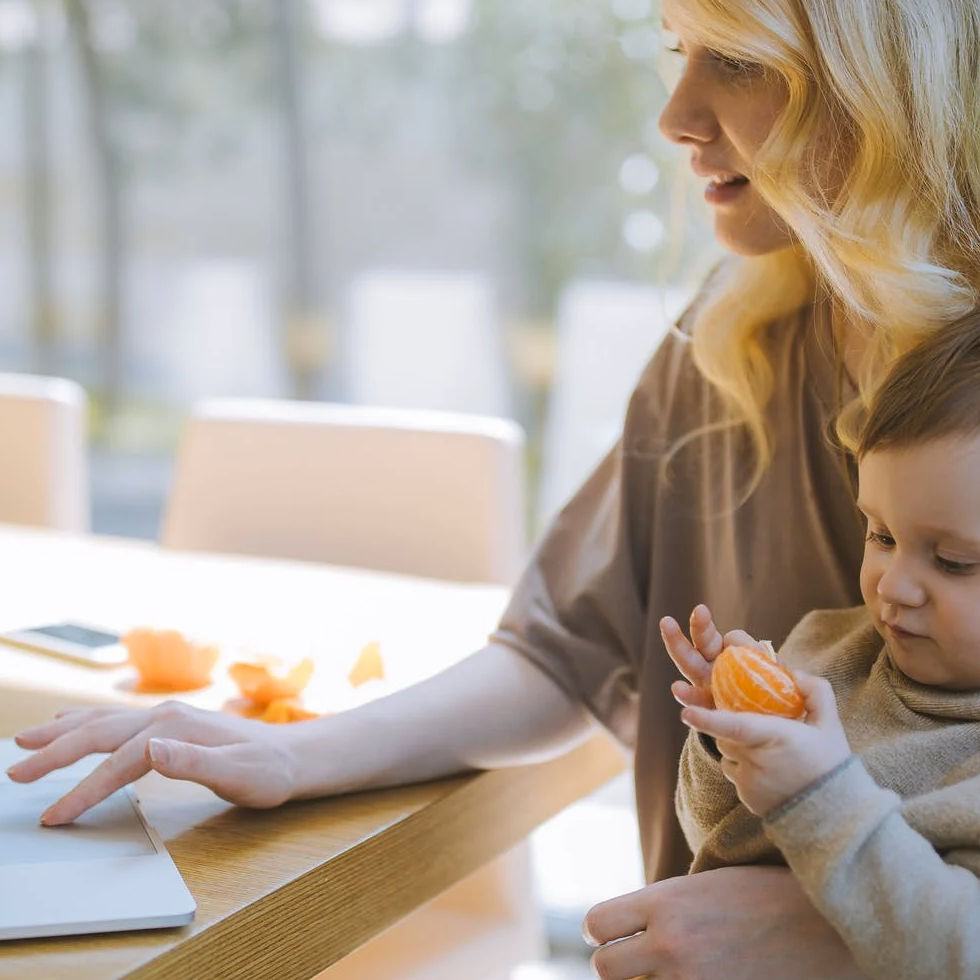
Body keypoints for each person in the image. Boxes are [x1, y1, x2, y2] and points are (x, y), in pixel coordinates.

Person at [7, 0, 980, 975]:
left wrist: (836, 939)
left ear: (875, 77)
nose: (674, 113)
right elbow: (560, 651)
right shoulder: (729, 346)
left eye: (733, 61)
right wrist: (296, 752)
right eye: (677, 54)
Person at [662, 308, 980, 980]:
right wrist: (733, 741)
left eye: (951, 560)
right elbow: (713, 846)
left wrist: (823, 795)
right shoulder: (828, 650)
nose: (894, 586)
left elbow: (958, 953)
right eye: (882, 535)